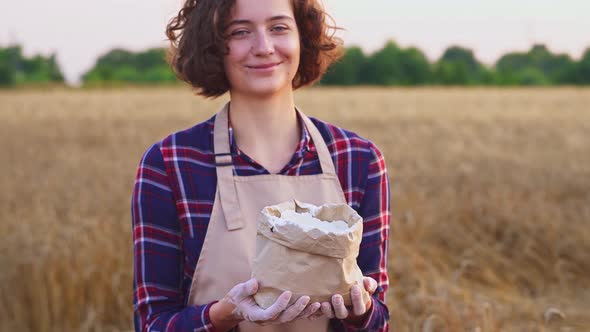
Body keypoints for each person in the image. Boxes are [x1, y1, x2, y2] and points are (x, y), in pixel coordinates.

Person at [131, 0, 391, 331]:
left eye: (279, 28)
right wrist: (221, 315)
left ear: (303, 38)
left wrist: (362, 310)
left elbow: (379, 319)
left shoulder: (358, 159)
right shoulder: (170, 164)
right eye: (240, 32)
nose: (264, 47)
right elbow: (153, 323)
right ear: (211, 45)